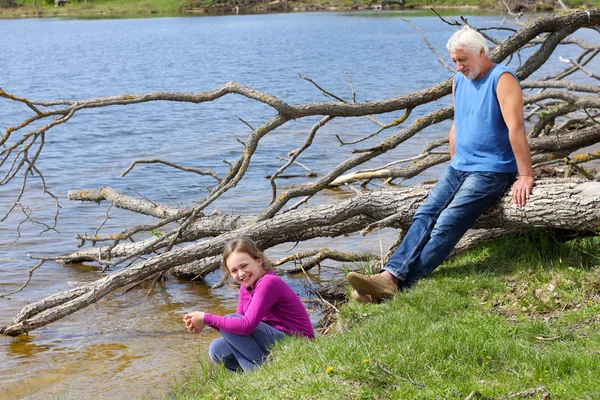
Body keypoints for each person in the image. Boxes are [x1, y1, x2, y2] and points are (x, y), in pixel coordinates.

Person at [347, 25, 534, 303]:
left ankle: (394, 287)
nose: (458, 67)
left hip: (491, 170)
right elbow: (457, 126)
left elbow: (516, 128)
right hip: (460, 167)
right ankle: (389, 278)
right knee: (425, 213)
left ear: (481, 52)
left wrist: (525, 176)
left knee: (446, 222)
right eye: (455, 60)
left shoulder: (502, 79)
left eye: (463, 60)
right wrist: (453, 163)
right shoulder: (459, 80)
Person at [184, 237, 314, 372]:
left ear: (259, 260)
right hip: (272, 339)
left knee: (233, 321)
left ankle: (260, 372)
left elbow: (245, 326)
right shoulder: (246, 287)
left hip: (298, 342)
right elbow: (235, 329)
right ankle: (258, 369)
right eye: (234, 271)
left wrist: (206, 318)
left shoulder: (268, 283)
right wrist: (206, 322)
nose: (241, 274)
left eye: (244, 266)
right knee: (217, 349)